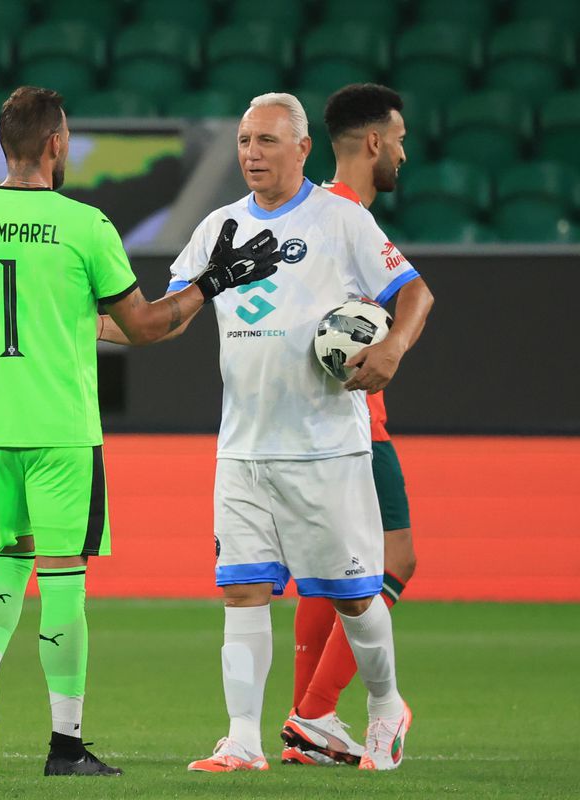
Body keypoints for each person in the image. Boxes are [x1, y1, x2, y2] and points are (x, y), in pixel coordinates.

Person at [0, 86, 280, 777]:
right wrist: (211, 283)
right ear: (54, 144)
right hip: (62, 433)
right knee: (64, 580)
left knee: (7, 560)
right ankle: (65, 745)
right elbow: (142, 326)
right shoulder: (85, 226)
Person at [101, 92, 433, 772]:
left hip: (327, 447)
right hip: (243, 448)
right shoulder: (217, 227)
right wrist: (87, 327)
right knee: (243, 590)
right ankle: (243, 739)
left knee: (354, 593)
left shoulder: (340, 220)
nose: (251, 152)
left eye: (267, 141)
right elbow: (165, 319)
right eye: (245, 140)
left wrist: (393, 348)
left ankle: (384, 707)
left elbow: (416, 292)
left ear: (303, 148)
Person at [282, 83, 428, 767]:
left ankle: (304, 729)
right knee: (393, 561)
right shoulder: (347, 220)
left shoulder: (305, 214)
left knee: (323, 575)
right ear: (373, 143)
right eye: (397, 139)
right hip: (356, 427)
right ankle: (314, 714)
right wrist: (391, 345)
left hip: (305, 430)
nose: (403, 150)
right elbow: (416, 295)